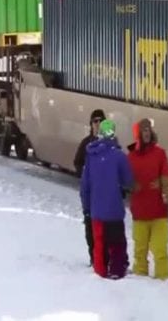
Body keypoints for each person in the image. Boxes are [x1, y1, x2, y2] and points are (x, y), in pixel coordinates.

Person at [80, 119, 133, 279]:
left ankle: (100, 271)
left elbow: (85, 186)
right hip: (114, 210)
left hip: (96, 210)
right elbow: (128, 181)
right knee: (117, 244)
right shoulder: (119, 156)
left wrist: (87, 208)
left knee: (99, 244)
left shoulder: (91, 156)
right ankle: (116, 271)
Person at [127, 118, 168, 281]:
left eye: (148, 130)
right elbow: (125, 180)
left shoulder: (160, 153)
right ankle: (140, 276)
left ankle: (163, 277)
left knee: (160, 249)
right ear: (138, 134)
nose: (146, 133)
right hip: (139, 212)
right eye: (143, 130)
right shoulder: (131, 157)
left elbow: (167, 176)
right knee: (140, 251)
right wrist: (131, 185)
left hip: (158, 212)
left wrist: (165, 190)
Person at [74, 109, 106, 266]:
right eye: (95, 121)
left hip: (106, 194)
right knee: (90, 225)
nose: (98, 124)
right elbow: (77, 163)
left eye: (101, 121)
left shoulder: (110, 144)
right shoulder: (86, 143)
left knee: (106, 226)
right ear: (91, 124)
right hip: (90, 193)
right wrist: (86, 177)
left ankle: (104, 257)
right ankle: (94, 257)